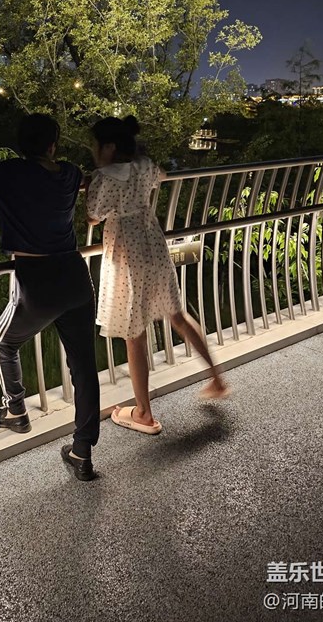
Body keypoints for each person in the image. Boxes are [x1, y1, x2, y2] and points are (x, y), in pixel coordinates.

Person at [0, 113, 100, 481]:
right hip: (75, 274)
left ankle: (16, 410)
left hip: (36, 278)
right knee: (84, 367)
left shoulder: (11, 173)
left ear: (21, 145)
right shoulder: (69, 173)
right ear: (53, 145)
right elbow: (87, 180)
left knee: (2, 341)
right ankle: (82, 451)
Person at [86, 116, 229, 435]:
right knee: (177, 314)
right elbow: (159, 175)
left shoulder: (104, 177)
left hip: (127, 252)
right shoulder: (145, 166)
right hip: (153, 243)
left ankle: (144, 413)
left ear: (108, 147)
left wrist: (90, 184)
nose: (93, 151)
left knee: (134, 331)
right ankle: (217, 379)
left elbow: (93, 216)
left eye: (95, 145)